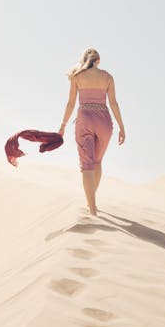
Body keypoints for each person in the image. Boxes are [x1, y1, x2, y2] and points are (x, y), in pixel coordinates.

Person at [58, 48, 126, 216]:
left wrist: (63, 125)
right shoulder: (108, 77)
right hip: (104, 122)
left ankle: (92, 210)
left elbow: (71, 103)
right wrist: (122, 127)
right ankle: (91, 203)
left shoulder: (77, 76)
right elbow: (114, 103)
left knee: (87, 165)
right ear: (98, 60)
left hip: (85, 119)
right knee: (97, 162)